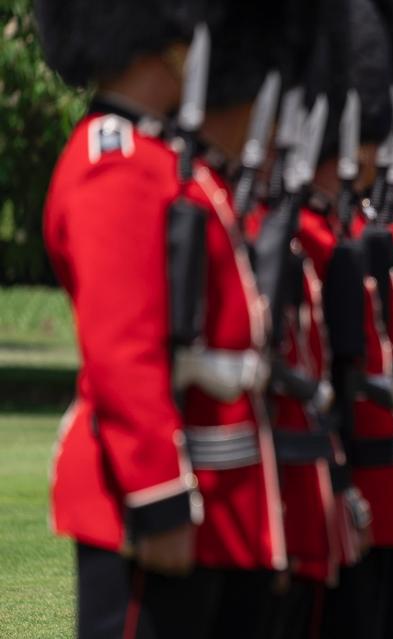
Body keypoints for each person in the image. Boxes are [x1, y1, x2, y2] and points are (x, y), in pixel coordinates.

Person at [37, 1, 293, 636]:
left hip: (217, 486)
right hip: (146, 499)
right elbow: (124, 353)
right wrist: (159, 503)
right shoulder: (117, 162)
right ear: (164, 45)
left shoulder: (167, 162)